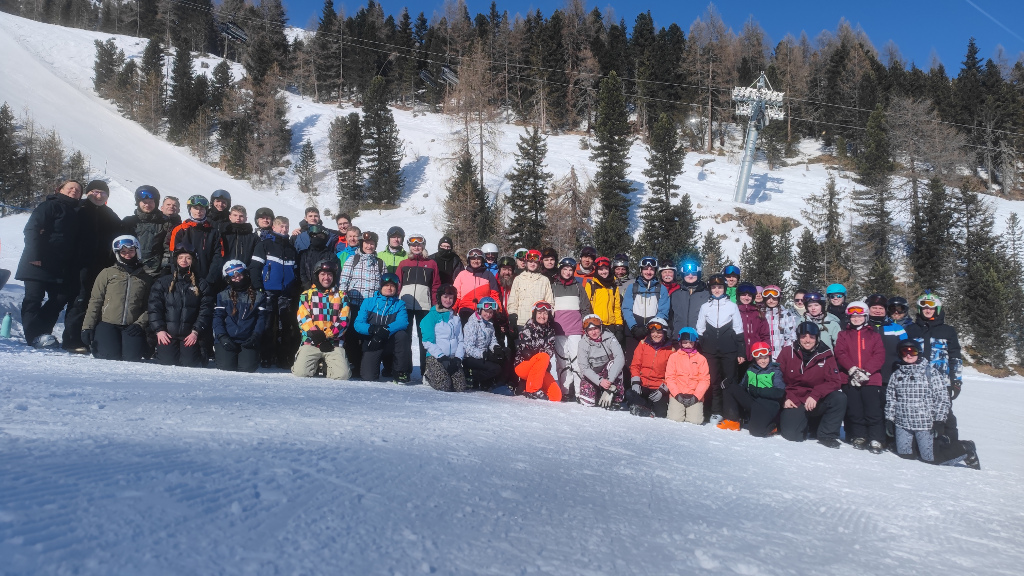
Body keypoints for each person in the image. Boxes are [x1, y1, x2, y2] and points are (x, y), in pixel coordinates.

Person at [904, 292, 977, 468]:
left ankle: (959, 448)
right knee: (919, 417)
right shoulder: (911, 329)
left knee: (945, 417)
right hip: (917, 383)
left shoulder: (947, 331)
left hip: (941, 383)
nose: (927, 310)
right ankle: (928, 447)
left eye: (931, 307)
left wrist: (956, 381)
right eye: (924, 307)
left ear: (937, 309)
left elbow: (955, 357)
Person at [886, 340, 979, 468]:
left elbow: (942, 398)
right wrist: (890, 419)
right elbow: (891, 398)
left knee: (930, 459)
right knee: (906, 456)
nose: (909, 355)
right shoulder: (897, 374)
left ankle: (966, 448)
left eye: (913, 351)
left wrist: (939, 421)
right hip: (903, 423)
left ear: (919, 353)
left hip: (925, 423)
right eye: (904, 352)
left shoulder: (930, 373)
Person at [16, 180, 83, 348]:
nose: (74, 191)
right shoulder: (50, 206)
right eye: (70, 188)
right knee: (33, 298)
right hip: (37, 261)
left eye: (78, 189)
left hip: (58, 265)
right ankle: (33, 336)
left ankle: (42, 333)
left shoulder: (77, 211)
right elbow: (32, 229)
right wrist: (34, 255)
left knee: (60, 297)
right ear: (59, 190)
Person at [63, 180, 121, 353]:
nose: (99, 195)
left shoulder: (109, 214)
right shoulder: (78, 209)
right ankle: (72, 340)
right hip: (79, 264)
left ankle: (90, 339)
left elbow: (121, 233)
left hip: (102, 265)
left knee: (96, 302)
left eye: (103, 193)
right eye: (95, 191)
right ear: (87, 193)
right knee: (79, 301)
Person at [80, 235, 154, 362]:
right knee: (109, 357)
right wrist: (87, 327)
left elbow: (150, 306)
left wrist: (140, 324)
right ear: (118, 253)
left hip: (132, 326)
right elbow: (95, 301)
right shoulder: (107, 273)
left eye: (131, 251)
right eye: (123, 252)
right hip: (108, 323)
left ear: (137, 251)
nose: (127, 254)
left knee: (131, 358)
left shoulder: (146, 278)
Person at [777, 322, 847, 448]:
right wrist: (784, 397)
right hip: (794, 399)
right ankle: (809, 424)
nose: (807, 340)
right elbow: (777, 377)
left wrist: (816, 394)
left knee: (839, 398)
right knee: (792, 435)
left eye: (811, 337)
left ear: (817, 338)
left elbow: (835, 381)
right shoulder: (788, 352)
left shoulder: (825, 354)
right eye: (803, 336)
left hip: (816, 399)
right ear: (798, 338)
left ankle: (827, 434)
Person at [147, 246, 215, 367]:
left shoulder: (202, 284)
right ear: (176, 260)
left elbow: (206, 310)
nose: (184, 260)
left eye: (188, 258)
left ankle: (201, 351)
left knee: (189, 364)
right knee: (167, 363)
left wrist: (196, 331)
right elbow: (154, 308)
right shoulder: (163, 282)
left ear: (193, 261)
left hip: (190, 335)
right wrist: (159, 330)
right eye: (180, 258)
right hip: (167, 334)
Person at [833, 301, 887, 453]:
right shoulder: (843, 334)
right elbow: (840, 353)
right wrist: (852, 370)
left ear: (866, 317)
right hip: (850, 378)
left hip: (871, 379)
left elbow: (879, 355)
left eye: (860, 316)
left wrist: (866, 372)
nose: (856, 319)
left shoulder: (874, 335)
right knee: (855, 409)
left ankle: (876, 437)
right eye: (853, 316)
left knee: (873, 409)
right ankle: (859, 435)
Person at [250, 215, 299, 368]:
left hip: (286, 293)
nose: (284, 229)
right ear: (274, 227)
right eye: (281, 226)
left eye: (286, 227)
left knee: (286, 326)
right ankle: (266, 356)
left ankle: (283, 357)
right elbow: (255, 268)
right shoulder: (265, 244)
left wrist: (294, 289)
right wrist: (258, 287)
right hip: (268, 291)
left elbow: (295, 271)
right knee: (268, 324)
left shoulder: (291, 248)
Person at [695, 274, 745, 425]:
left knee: (729, 380)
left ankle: (730, 411)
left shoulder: (732, 306)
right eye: (714, 287)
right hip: (710, 350)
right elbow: (700, 329)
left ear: (724, 289)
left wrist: (741, 351)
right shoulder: (705, 307)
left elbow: (738, 329)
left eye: (720, 287)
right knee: (714, 381)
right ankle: (715, 411)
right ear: (710, 289)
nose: (717, 290)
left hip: (729, 349)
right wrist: (701, 348)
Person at [293, 259, 351, 380]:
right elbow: (303, 319)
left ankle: (325, 365)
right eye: (323, 274)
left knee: (342, 375)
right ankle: (312, 363)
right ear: (317, 276)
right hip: (311, 341)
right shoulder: (307, 295)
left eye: (329, 274)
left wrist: (328, 336)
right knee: (300, 373)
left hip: (333, 343)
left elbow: (344, 320)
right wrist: (317, 337)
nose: (326, 278)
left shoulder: (342, 296)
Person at [338, 231, 385, 377]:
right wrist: (342, 302)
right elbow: (343, 282)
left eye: (372, 244)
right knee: (352, 336)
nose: (369, 246)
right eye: (366, 243)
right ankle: (353, 363)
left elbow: (383, 286)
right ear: (361, 244)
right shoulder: (353, 260)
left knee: (367, 336)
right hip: (354, 304)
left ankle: (365, 365)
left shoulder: (379, 263)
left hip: (371, 307)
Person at [353, 273, 412, 382]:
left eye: (392, 286)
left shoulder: (400, 304)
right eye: (386, 285)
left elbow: (402, 322)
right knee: (368, 376)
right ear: (381, 286)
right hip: (373, 342)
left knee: (402, 335)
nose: (389, 288)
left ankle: (400, 371)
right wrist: (372, 330)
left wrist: (384, 331)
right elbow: (358, 324)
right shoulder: (368, 302)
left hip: (390, 343)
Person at [213, 260, 269, 373]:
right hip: (227, 338)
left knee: (247, 369)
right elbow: (217, 318)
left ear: (245, 274)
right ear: (228, 279)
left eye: (239, 274)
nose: (237, 278)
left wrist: (255, 336)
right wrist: (222, 336)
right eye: (232, 276)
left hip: (248, 339)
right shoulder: (222, 295)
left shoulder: (259, 296)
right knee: (226, 367)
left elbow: (261, 319)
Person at [622, 256, 671, 382]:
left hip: (653, 331)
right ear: (641, 270)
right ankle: (631, 390)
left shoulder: (661, 289)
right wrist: (633, 327)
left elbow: (663, 311)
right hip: (633, 330)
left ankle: (647, 389)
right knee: (631, 361)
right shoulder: (632, 288)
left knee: (650, 362)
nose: (648, 272)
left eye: (651, 269)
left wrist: (651, 328)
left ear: (655, 271)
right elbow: (626, 309)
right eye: (645, 269)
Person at [396, 232, 441, 370]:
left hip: (425, 306)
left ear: (423, 246)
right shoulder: (404, 263)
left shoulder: (431, 263)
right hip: (405, 305)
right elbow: (398, 284)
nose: (416, 247)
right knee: (405, 337)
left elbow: (435, 286)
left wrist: (435, 305)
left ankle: (425, 370)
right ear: (409, 247)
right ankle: (405, 369)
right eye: (413, 245)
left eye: (419, 245)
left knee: (425, 338)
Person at [722, 341, 785, 436]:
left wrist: (757, 391)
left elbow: (779, 392)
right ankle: (733, 420)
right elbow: (742, 387)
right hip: (754, 402)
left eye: (765, 357)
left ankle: (773, 425)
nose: (763, 361)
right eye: (759, 358)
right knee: (729, 385)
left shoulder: (774, 370)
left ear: (769, 356)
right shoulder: (750, 370)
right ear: (755, 358)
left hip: (768, 405)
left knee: (756, 431)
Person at [551, 257, 593, 398]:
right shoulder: (553, 286)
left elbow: (586, 308)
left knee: (577, 361)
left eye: (570, 270)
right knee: (563, 361)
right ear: (560, 270)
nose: (568, 272)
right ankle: (565, 391)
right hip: (559, 330)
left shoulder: (578, 287)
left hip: (575, 329)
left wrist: (586, 327)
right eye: (565, 269)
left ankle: (579, 392)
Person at [167, 195, 225, 286]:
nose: (198, 211)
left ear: (206, 210)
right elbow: (173, 255)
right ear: (190, 209)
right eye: (195, 208)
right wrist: (178, 277)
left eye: (202, 208)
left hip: (207, 279)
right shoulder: (180, 230)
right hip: (184, 279)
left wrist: (211, 278)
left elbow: (218, 256)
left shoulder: (213, 232)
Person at [421, 284, 467, 392]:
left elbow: (461, 340)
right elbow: (428, 342)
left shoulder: (455, 317)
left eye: (451, 298)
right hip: (436, 357)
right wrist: (441, 357)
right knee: (444, 386)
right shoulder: (431, 316)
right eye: (445, 297)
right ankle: (428, 375)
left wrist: (458, 358)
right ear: (439, 297)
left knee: (460, 387)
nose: (448, 300)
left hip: (452, 357)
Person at [121, 185, 175, 276]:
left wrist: (165, 268)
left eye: (150, 202)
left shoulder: (164, 223)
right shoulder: (129, 222)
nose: (147, 205)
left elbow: (167, 249)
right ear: (138, 202)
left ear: (156, 203)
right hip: (131, 270)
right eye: (144, 202)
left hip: (155, 272)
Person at [627, 317, 675, 417]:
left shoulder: (670, 350)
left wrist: (662, 390)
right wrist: (636, 382)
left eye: (659, 332)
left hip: (658, 388)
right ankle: (645, 406)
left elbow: (672, 374)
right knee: (629, 393)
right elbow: (635, 365)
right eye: (652, 332)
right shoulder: (643, 344)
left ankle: (642, 406)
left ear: (665, 333)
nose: (655, 335)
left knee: (661, 413)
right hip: (642, 384)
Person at [513, 301, 561, 401]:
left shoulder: (550, 331)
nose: (542, 316)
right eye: (539, 313)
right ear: (535, 314)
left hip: (540, 370)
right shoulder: (528, 327)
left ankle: (531, 385)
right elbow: (525, 350)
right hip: (523, 366)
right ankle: (532, 389)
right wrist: (538, 357)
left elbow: (550, 350)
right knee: (543, 356)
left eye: (545, 313)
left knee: (556, 396)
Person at [577, 315, 627, 409]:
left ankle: (616, 398)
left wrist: (609, 380)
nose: (593, 332)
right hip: (593, 374)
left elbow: (620, 358)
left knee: (615, 364)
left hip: (607, 373)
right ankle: (598, 393)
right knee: (588, 402)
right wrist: (600, 381)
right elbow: (584, 367)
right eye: (590, 330)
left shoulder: (609, 337)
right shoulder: (583, 343)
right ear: (586, 331)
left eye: (595, 328)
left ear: (600, 327)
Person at [665, 328, 711, 425]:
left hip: (694, 395)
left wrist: (696, 396)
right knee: (675, 419)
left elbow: (704, 380)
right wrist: (677, 394)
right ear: (680, 342)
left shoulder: (701, 359)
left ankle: (693, 409)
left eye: (691, 342)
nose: (688, 345)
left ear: (695, 343)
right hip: (678, 394)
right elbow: (670, 377)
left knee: (695, 421)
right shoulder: (674, 357)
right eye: (685, 342)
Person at [865, 293, 908, 388]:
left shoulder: (897, 329)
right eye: (874, 308)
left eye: (881, 308)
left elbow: (905, 350)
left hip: (891, 376)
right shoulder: (863, 328)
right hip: (867, 377)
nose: (877, 311)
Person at [463, 296, 505, 390]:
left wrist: (496, 347)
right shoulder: (472, 324)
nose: (488, 315)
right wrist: (483, 354)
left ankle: (490, 381)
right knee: (495, 368)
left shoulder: (489, 324)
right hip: (470, 358)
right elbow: (469, 348)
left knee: (503, 356)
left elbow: (492, 340)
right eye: (486, 311)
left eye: (490, 312)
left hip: (483, 355)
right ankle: (474, 377)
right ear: (480, 310)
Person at [506, 249, 554, 332]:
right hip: (522, 322)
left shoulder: (544, 280)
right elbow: (513, 301)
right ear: (526, 262)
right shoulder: (518, 279)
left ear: (539, 263)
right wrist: (513, 316)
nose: (532, 264)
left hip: (539, 322)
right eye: (530, 261)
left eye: (535, 262)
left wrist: (548, 316)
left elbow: (549, 302)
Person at [453, 248, 501, 325]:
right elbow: (456, 294)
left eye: (478, 259)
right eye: (473, 259)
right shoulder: (462, 274)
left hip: (484, 310)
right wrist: (453, 309)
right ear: (469, 260)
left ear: (482, 260)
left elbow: (494, 295)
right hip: (465, 310)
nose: (476, 261)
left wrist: (499, 311)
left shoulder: (488, 275)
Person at [584, 257, 624, 344]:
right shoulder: (591, 285)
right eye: (601, 269)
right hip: (595, 325)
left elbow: (617, 308)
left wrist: (619, 325)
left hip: (611, 325)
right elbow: (586, 307)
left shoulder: (613, 287)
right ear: (596, 270)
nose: (603, 272)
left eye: (606, 269)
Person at [668, 257, 706, 336]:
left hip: (699, 339)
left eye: (694, 273)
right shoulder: (675, 294)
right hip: (678, 338)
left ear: (698, 274)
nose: (690, 275)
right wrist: (670, 334)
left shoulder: (707, 294)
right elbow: (669, 318)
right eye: (687, 273)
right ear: (683, 275)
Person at [736, 282, 771, 362]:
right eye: (743, 295)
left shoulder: (758, 313)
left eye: (749, 295)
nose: (746, 298)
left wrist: (764, 351)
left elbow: (765, 335)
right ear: (739, 296)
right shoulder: (734, 312)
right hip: (739, 355)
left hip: (756, 354)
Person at [763, 285, 798, 360]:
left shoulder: (786, 314)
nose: (771, 301)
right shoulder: (762, 314)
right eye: (768, 298)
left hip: (781, 355)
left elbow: (791, 336)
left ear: (779, 299)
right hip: (764, 356)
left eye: (774, 298)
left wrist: (785, 351)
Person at [297, 225, 337, 290]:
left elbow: (334, 274)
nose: (316, 238)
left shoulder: (331, 256)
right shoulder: (304, 254)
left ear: (325, 238)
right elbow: (301, 272)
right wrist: (307, 284)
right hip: (308, 291)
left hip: (326, 291)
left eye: (320, 236)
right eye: (314, 236)